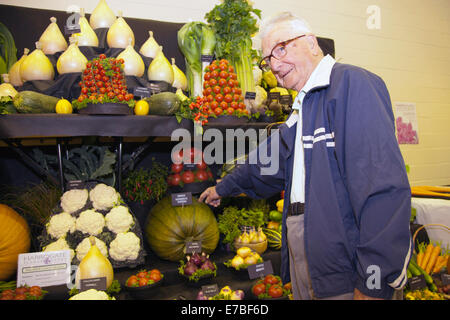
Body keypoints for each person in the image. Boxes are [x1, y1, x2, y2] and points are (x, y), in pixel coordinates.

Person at [199, 12, 412, 300]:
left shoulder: (352, 85)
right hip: (308, 251)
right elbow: (268, 161)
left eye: (281, 49)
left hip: (346, 263)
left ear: (311, 43)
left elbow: (382, 190)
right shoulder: (303, 107)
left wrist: (374, 282)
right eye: (267, 60)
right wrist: (223, 187)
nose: (274, 65)